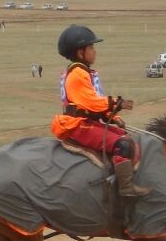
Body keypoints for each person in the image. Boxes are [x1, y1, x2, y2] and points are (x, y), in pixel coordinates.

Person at [50, 24, 147, 198]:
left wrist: (112, 116)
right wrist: (115, 102)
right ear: (80, 53)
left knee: (125, 136)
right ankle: (125, 188)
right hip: (79, 126)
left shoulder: (83, 72)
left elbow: (91, 104)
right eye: (91, 47)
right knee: (122, 144)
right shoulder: (78, 73)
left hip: (86, 121)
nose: (95, 51)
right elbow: (90, 102)